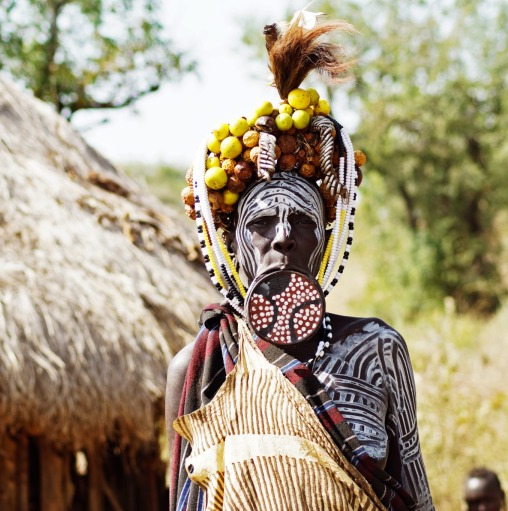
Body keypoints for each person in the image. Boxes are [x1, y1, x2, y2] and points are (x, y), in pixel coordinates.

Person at [166, 11, 435, 511]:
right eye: (261, 224)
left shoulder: (376, 350)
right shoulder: (199, 368)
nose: (283, 238)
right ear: (232, 243)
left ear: (325, 242)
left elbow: (416, 499)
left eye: (303, 223)